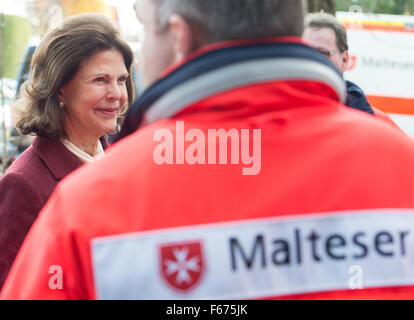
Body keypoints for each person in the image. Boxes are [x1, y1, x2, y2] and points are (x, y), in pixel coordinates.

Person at [3, 0, 414, 300]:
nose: (119, 89)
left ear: (179, 35)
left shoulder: (89, 205)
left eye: (146, 28)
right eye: (100, 80)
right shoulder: (401, 162)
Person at [0, 13, 134, 289]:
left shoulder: (122, 167)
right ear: (60, 89)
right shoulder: (23, 183)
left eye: (121, 80)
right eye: (100, 80)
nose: (117, 94)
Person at [302, 12, 400, 129]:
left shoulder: (379, 125)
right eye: (303, 52)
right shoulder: (278, 117)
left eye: (322, 53)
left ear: (344, 60)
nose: (311, 60)